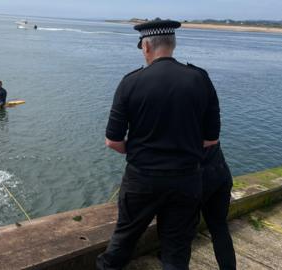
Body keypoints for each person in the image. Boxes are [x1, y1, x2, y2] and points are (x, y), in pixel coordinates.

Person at [97, 19, 221, 270]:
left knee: (122, 243)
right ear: (173, 44)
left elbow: (112, 141)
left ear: (146, 47)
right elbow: (212, 139)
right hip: (186, 180)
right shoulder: (200, 79)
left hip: (141, 178)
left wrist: (139, 152)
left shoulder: (130, 82)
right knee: (176, 252)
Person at [201, 143, 236, 269]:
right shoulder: (209, 123)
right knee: (219, 227)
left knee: (181, 229)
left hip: (198, 175)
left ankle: (171, 259)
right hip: (220, 172)